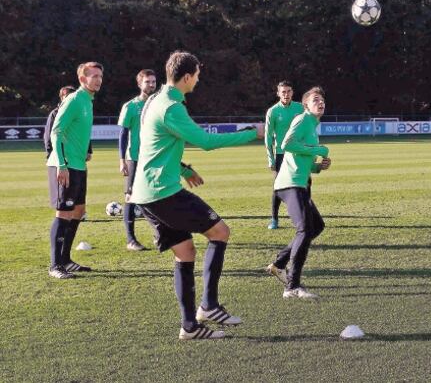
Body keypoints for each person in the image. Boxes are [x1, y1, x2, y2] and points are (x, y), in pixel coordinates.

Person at [131, 51, 263, 340]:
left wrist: (182, 168)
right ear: (188, 76)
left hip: (146, 192)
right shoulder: (171, 107)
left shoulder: (156, 100)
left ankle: (190, 326)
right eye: (198, 76)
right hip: (162, 193)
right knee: (220, 231)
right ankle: (209, 306)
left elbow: (151, 145)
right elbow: (205, 141)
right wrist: (252, 133)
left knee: (185, 252)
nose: (198, 81)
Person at [265, 87, 333, 299]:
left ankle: (278, 264)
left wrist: (317, 167)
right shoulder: (303, 119)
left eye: (322, 100)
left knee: (316, 226)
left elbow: (299, 157)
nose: (320, 102)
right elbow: (287, 144)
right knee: (304, 229)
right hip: (289, 184)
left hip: (299, 183)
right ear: (306, 105)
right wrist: (317, 150)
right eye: (315, 100)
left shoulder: (313, 126)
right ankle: (292, 286)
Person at [46, 63, 102, 279]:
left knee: (78, 212)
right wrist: (62, 163)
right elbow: (56, 131)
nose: (98, 80)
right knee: (64, 213)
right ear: (82, 79)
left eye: (100, 76)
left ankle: (66, 260)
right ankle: (55, 265)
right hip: (65, 165)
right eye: (94, 76)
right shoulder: (74, 99)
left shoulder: (88, 101)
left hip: (79, 165)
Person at [117, 69, 157, 251]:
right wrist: (121, 160)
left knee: (156, 195)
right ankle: (130, 239)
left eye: (153, 82)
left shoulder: (157, 105)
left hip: (154, 157)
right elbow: (123, 134)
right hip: (134, 158)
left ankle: (159, 235)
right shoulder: (131, 106)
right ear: (140, 84)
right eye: (147, 82)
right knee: (130, 197)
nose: (151, 85)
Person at [264, 81, 305, 229]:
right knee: (278, 187)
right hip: (281, 154)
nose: (286, 94)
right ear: (278, 94)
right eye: (283, 92)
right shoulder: (273, 111)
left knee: (303, 184)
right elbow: (268, 137)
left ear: (292, 92)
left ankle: (303, 217)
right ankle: (274, 219)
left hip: (298, 153)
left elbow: (306, 128)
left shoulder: (300, 108)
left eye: (288, 91)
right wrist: (271, 159)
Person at [44, 86, 92, 163]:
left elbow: (84, 132)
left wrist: (88, 150)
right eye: (68, 96)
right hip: (60, 157)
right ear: (61, 98)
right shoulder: (55, 114)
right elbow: (49, 135)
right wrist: (49, 154)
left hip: (77, 157)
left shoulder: (80, 112)